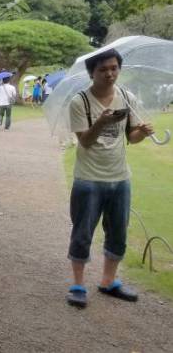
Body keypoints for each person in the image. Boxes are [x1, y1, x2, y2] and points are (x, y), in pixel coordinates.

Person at [65, 48, 154, 309]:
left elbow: (131, 138)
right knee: (82, 233)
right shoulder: (79, 102)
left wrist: (143, 133)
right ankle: (78, 285)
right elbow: (86, 141)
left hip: (120, 178)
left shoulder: (127, 97)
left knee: (118, 232)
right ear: (92, 73)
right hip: (88, 179)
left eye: (114, 68)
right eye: (103, 69)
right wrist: (101, 123)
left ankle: (108, 281)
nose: (109, 73)